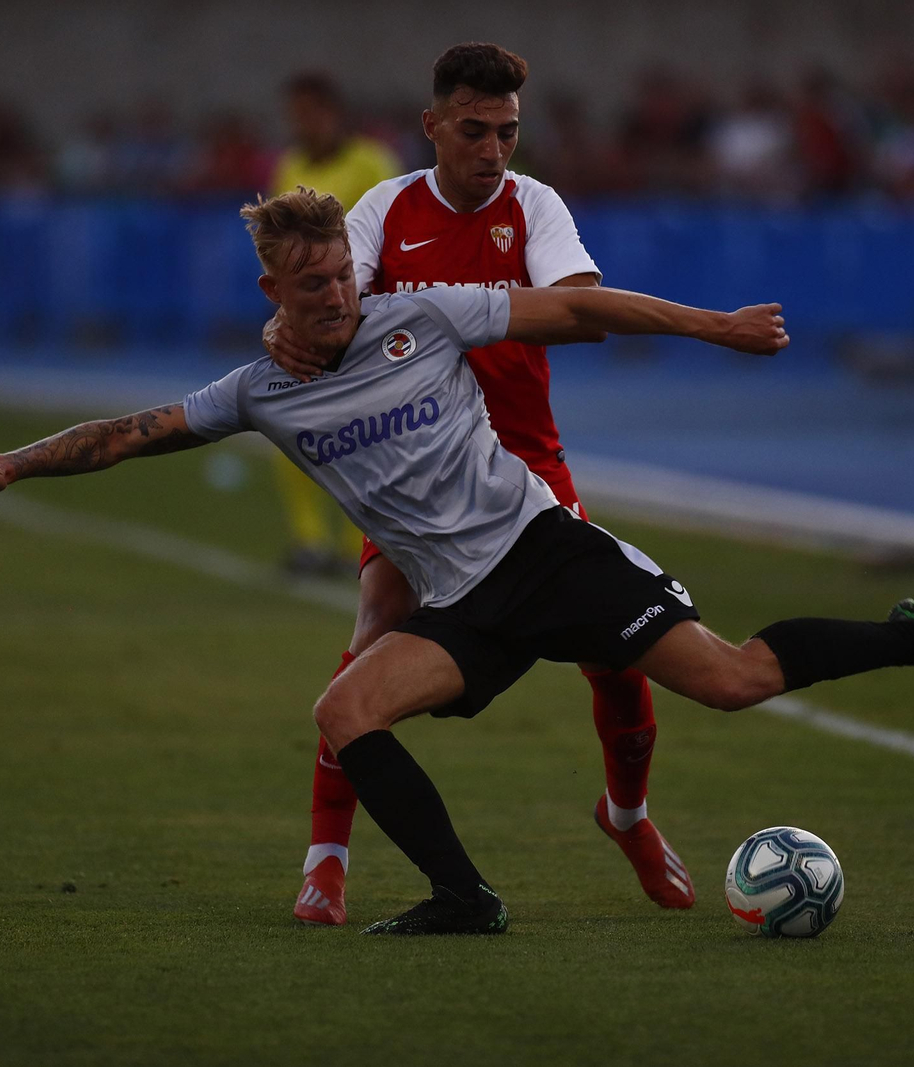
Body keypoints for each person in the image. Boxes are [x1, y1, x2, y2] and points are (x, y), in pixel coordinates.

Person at [0, 187, 914, 936]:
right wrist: (6, 462)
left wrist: (711, 326)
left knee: (735, 679)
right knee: (344, 708)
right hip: (460, 601)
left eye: (340, 276)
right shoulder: (258, 389)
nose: (334, 296)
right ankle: (464, 897)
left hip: (543, 550)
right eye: (310, 283)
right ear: (272, 289)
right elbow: (129, 432)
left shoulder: (419, 315)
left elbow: (569, 306)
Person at [261, 42, 694, 927]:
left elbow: (576, 304)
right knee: (373, 631)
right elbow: (330, 300)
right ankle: (326, 861)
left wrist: (475, 308)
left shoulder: (535, 205)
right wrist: (284, 327)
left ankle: (628, 817)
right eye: (475, 129)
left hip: (529, 465)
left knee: (618, 655)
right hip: (419, 474)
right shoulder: (384, 208)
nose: (494, 149)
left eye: (508, 132)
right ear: (434, 127)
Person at [266, 73, 401, 576]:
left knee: (367, 432)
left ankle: (354, 547)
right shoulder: (289, 165)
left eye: (312, 111)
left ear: (334, 112)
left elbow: (393, 231)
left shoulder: (372, 162)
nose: (303, 122)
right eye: (296, 112)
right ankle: (309, 541)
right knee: (289, 422)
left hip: (364, 317)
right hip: (306, 318)